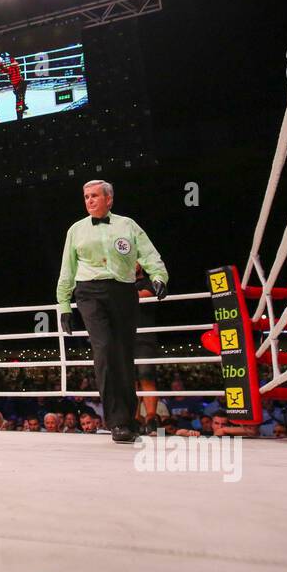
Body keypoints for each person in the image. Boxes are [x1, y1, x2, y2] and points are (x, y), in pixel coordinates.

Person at [56, 180, 168, 444]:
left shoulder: (127, 225)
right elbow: (67, 269)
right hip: (89, 292)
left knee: (122, 353)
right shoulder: (76, 229)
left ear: (109, 199)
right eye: (86, 196)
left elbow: (149, 253)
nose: (89, 201)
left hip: (123, 291)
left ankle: (130, 419)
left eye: (95, 196)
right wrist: (63, 305)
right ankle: (117, 422)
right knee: (104, 349)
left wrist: (159, 276)